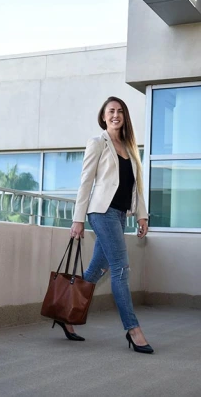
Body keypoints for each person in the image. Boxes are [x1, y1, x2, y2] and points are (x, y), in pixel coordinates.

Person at [54, 96, 153, 354]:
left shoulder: (130, 148)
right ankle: (133, 329)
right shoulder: (98, 143)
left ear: (125, 116)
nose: (115, 115)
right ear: (103, 116)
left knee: (96, 271)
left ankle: (66, 315)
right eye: (111, 111)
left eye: (120, 111)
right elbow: (86, 181)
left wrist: (142, 215)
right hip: (101, 213)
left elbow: (136, 187)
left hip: (120, 215)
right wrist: (77, 219)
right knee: (121, 268)